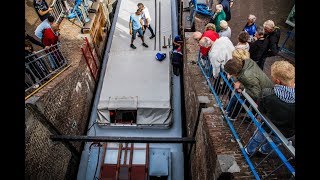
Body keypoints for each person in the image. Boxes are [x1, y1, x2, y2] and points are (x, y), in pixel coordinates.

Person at [245, 60, 295, 156]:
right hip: (286, 133)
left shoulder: (267, 93)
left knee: (256, 139)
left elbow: (261, 109)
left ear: (277, 81)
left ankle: (249, 151)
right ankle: (263, 151)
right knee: (275, 143)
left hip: (267, 126)